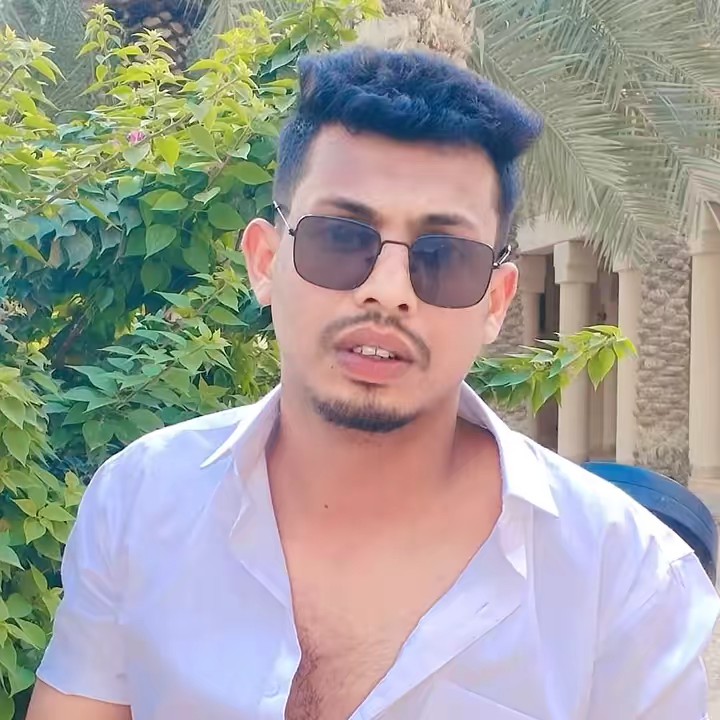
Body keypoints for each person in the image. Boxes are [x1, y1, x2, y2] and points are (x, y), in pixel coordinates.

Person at [28, 46, 719, 720]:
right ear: (265, 262)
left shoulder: (624, 578)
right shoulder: (140, 502)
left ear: (495, 301)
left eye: (443, 257)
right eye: (341, 238)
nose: (388, 291)